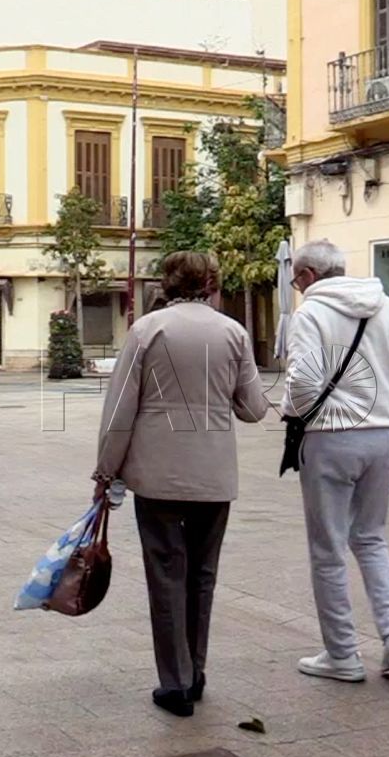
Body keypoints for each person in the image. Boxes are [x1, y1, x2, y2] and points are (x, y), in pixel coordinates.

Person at [94, 252, 269, 718]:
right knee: (203, 576)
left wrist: (106, 470)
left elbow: (119, 411)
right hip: (214, 474)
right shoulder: (233, 332)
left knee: (167, 575)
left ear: (167, 284)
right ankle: (197, 670)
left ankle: (175, 682)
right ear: (212, 283)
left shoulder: (147, 330)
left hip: (157, 475)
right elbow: (253, 409)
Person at [282, 239, 389, 682]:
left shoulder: (311, 313)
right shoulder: (388, 308)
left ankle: (342, 655)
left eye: (295, 279)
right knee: (371, 539)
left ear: (307, 275)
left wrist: (290, 412)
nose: (296, 287)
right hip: (383, 437)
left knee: (328, 549)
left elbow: (304, 384)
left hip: (330, 438)